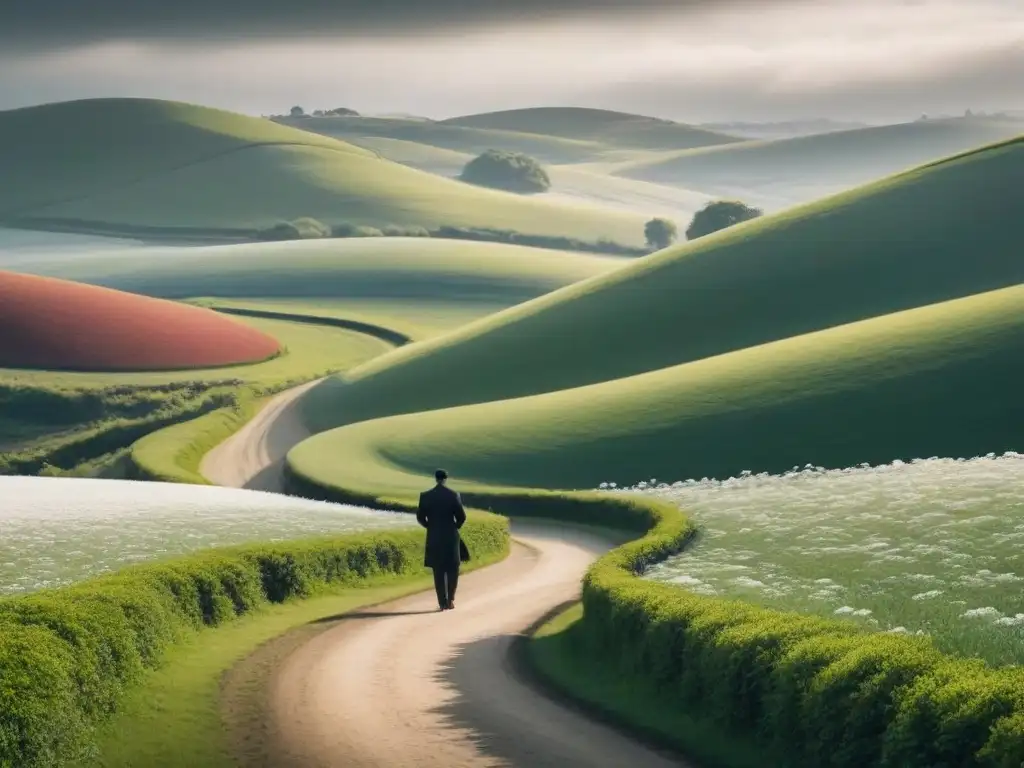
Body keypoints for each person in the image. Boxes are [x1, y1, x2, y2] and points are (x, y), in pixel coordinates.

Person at [416, 468, 466, 611]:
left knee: (438, 570)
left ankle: (442, 602)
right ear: (446, 479)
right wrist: (454, 527)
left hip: (434, 536)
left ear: (435, 478)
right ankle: (450, 600)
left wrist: (430, 527)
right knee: (452, 569)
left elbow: (420, 518)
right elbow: (461, 517)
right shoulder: (453, 495)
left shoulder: (425, 496)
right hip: (450, 536)